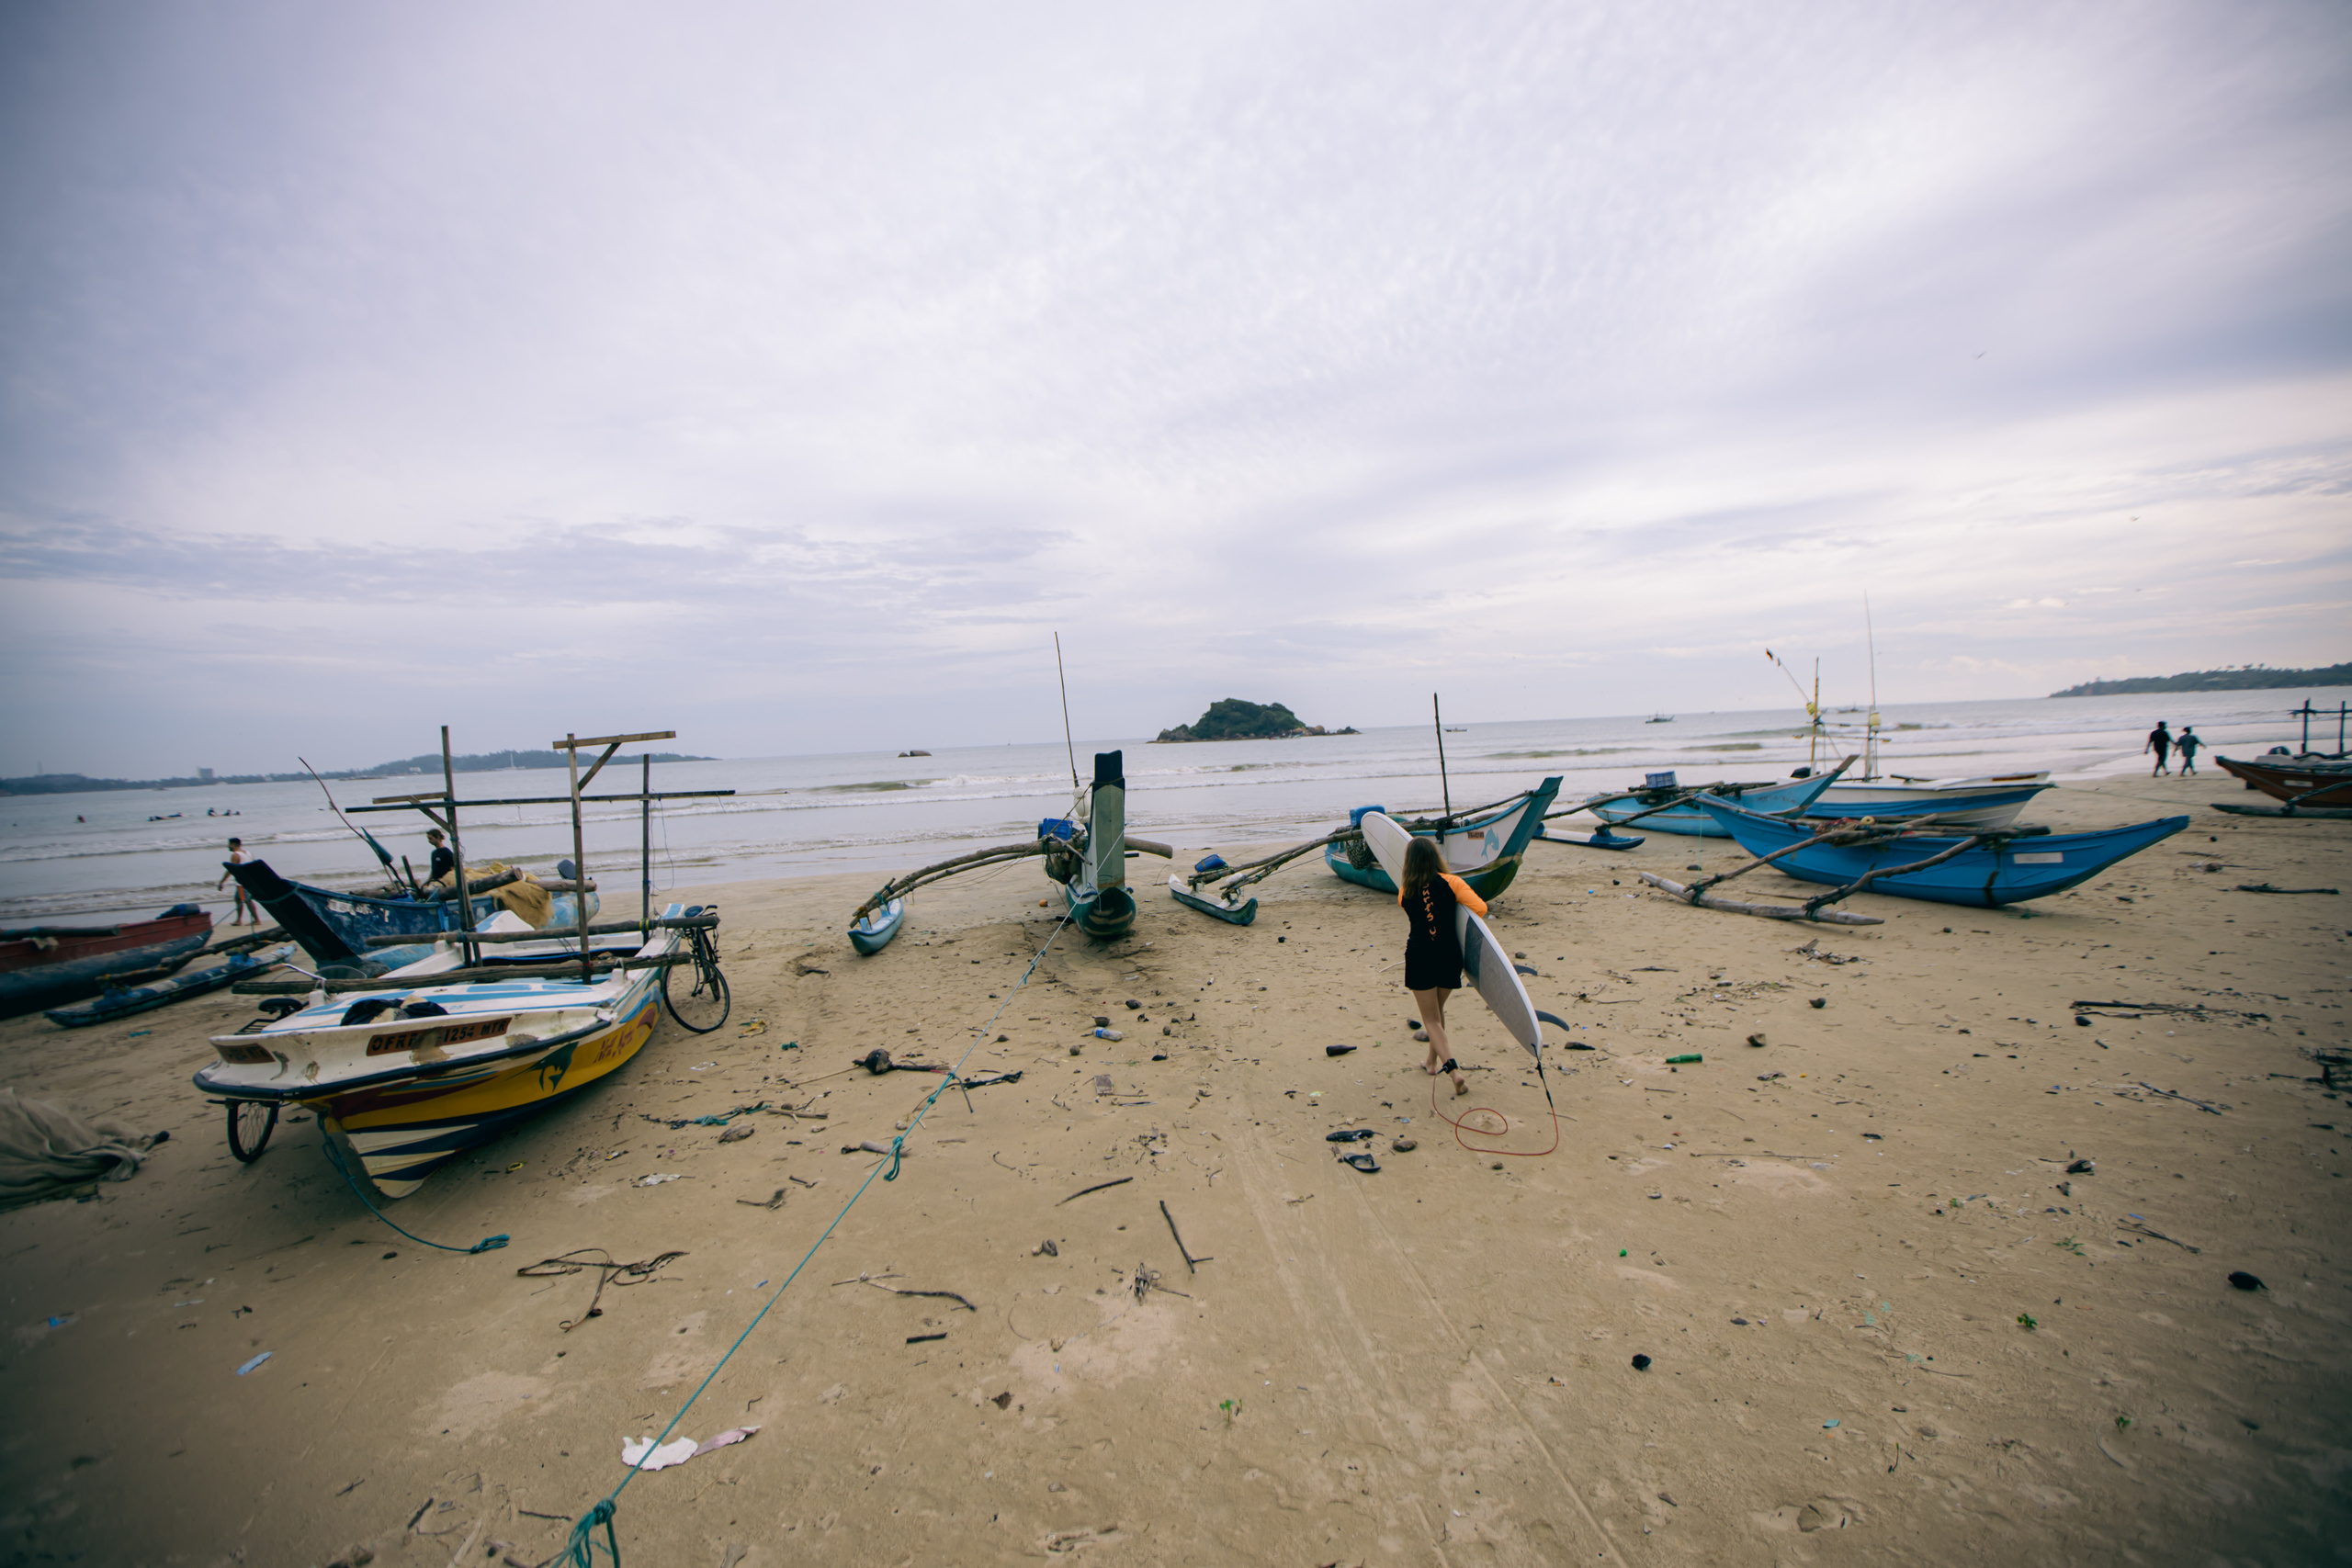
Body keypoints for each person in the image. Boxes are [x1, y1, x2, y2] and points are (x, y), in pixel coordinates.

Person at [1399, 836, 1484, 1097]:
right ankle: (1431, 1062)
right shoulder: (1452, 883)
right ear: (1435, 857)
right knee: (1437, 1014)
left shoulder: (1405, 891)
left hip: (1420, 956)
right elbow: (1480, 908)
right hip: (1449, 956)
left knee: (1431, 1019)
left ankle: (1454, 1071)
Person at [216, 837, 257, 926]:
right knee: (238, 898)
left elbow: (230, 870)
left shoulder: (235, 855)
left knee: (247, 900)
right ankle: (239, 920)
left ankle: (256, 920)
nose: (228, 847)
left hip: (242, 882)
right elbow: (254, 866)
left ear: (232, 844)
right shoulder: (249, 853)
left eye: (229, 845)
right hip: (248, 880)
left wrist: (222, 882)